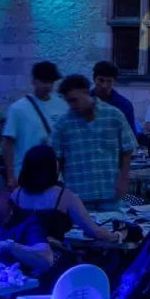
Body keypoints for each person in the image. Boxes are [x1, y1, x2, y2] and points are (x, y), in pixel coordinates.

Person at [49, 74, 134, 208]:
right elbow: (56, 160)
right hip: (77, 196)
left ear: (85, 92)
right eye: (68, 101)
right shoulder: (63, 124)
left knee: (112, 228)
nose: (71, 105)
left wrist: (123, 180)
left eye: (74, 100)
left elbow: (127, 149)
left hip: (109, 193)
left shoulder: (114, 115)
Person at [10, 144, 123, 244]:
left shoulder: (16, 195)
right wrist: (117, 236)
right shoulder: (65, 197)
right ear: (51, 168)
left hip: (21, 254)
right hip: (53, 257)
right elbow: (95, 232)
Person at [1, 61, 67, 178]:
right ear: (34, 81)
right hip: (25, 174)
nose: (48, 86)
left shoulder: (62, 105)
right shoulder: (17, 109)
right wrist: (10, 176)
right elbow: (7, 142)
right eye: (44, 81)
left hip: (54, 174)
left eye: (51, 82)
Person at [90, 61, 137, 132]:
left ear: (114, 81)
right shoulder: (84, 101)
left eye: (109, 81)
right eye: (101, 80)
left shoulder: (124, 105)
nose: (104, 85)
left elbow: (131, 135)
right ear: (94, 79)